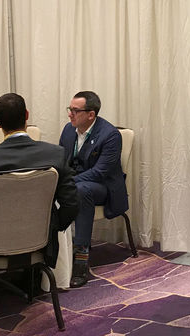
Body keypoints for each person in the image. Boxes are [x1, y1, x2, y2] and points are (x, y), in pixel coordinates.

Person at [0, 93, 78, 311]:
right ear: (27, 116)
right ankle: (31, 275)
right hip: (41, 244)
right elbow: (71, 205)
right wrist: (51, 228)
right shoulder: (56, 154)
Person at [59, 91, 128, 288]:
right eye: (69, 109)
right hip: (77, 183)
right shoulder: (68, 130)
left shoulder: (110, 135)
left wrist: (68, 183)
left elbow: (100, 172)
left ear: (91, 114)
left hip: (104, 188)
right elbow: (62, 161)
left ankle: (81, 260)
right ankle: (53, 253)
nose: (70, 114)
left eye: (75, 110)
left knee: (82, 191)